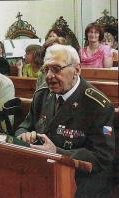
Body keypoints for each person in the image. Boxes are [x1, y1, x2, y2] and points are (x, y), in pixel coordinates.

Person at [15, 44, 115, 198]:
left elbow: (102, 156)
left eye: (56, 69)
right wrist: (24, 135)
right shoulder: (42, 95)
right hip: (43, 172)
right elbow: (24, 126)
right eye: (46, 69)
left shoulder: (97, 105)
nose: (49, 75)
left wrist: (58, 153)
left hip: (80, 179)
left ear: (76, 70)